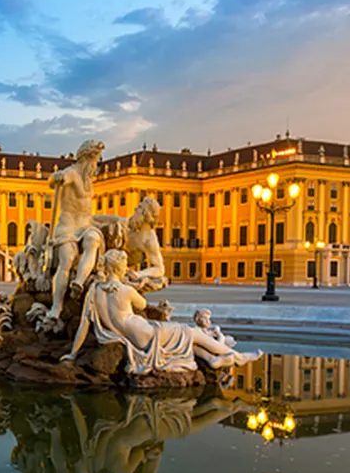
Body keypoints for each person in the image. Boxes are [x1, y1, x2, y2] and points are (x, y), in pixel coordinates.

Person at [61, 249, 261, 373]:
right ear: (119, 268)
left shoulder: (94, 292)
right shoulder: (125, 290)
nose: (126, 268)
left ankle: (212, 359)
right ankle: (236, 356)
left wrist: (72, 354)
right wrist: (138, 281)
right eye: (124, 266)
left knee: (187, 339)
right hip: (147, 335)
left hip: (135, 336)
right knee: (192, 332)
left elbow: (83, 327)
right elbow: (141, 305)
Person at [45, 139, 106, 323]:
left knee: (94, 240)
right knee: (67, 259)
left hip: (86, 225)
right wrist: (56, 178)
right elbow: (54, 179)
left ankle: (79, 282)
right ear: (87, 158)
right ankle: (57, 307)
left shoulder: (89, 180)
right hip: (68, 227)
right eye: (96, 160)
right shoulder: (72, 173)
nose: (97, 164)